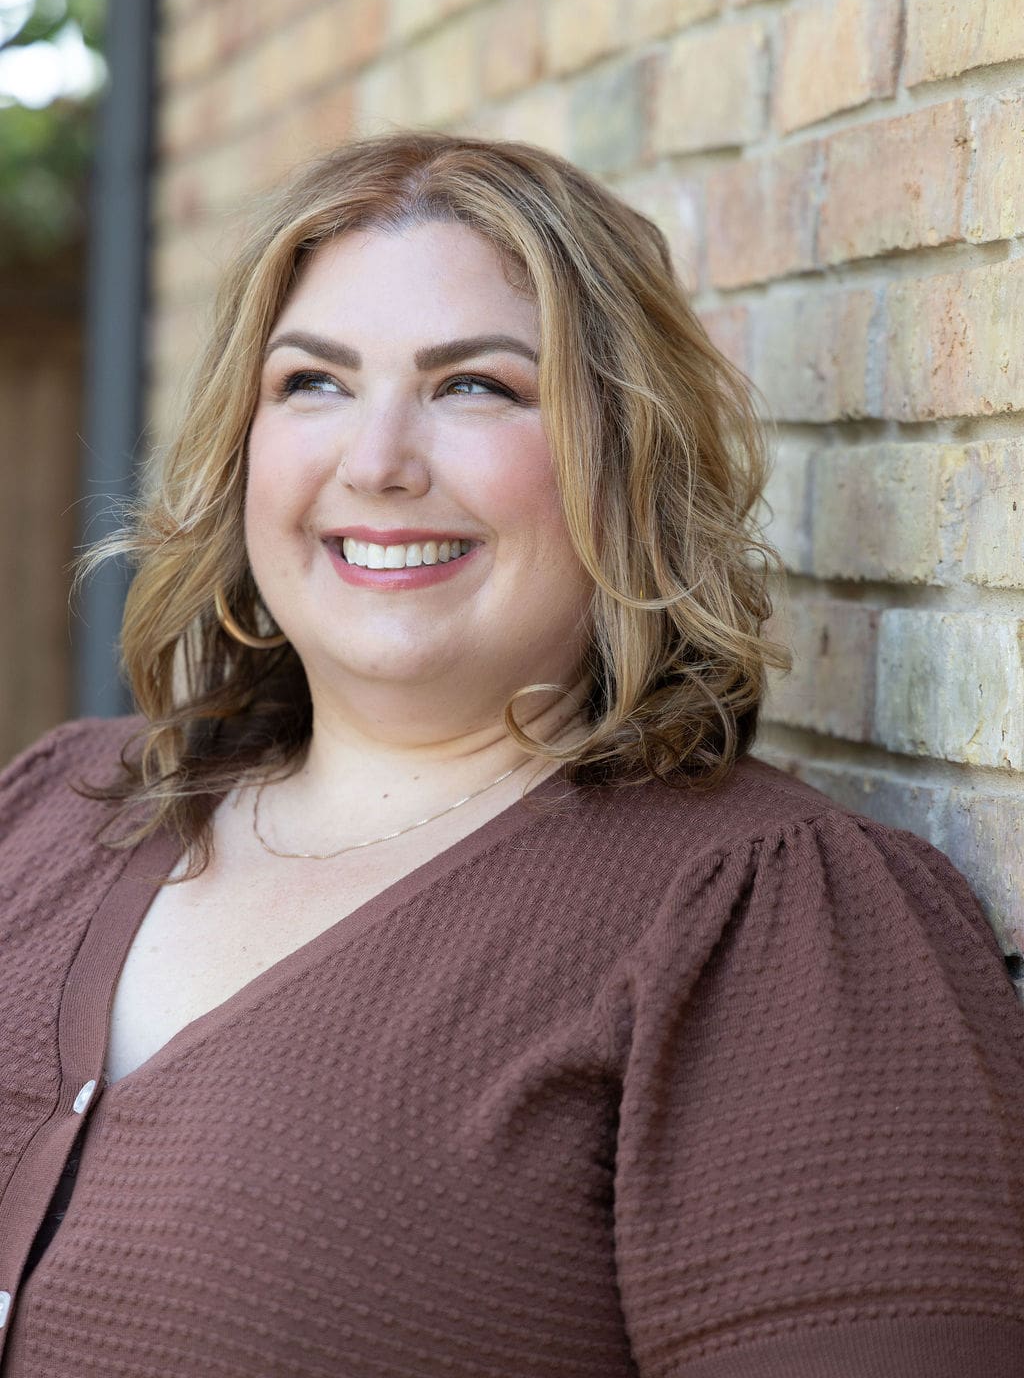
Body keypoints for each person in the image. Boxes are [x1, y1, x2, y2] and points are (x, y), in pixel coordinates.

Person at [0, 130, 1022, 1378]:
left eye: (474, 386)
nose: (375, 463)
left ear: (623, 457)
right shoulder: (54, 805)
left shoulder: (767, 923)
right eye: (312, 383)